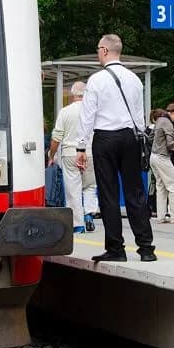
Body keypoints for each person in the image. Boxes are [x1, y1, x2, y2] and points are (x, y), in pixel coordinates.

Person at [76, 34, 156, 262]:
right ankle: (146, 248)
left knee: (109, 193)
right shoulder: (134, 79)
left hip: (105, 139)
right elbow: (139, 116)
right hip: (130, 138)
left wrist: (81, 147)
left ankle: (116, 248)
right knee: (135, 192)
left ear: (103, 50)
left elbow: (87, 115)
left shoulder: (97, 80)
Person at [47, 82, 97, 234]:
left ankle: (78, 224)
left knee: (73, 188)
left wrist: (51, 154)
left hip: (69, 152)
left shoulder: (65, 112)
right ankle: (89, 213)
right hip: (91, 152)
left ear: (73, 94)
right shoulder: (93, 111)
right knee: (90, 185)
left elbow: (57, 137)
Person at [151, 102, 174, 223]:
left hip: (153, 156)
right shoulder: (168, 123)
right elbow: (170, 142)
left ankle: (161, 216)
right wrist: (172, 148)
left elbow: (150, 137)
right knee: (173, 187)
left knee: (161, 187)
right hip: (162, 157)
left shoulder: (159, 120)